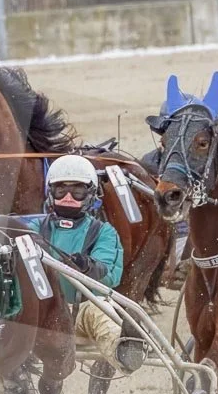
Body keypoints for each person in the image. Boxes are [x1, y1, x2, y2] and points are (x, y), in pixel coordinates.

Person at [32, 154, 145, 373]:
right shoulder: (35, 228)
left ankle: (123, 351)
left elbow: (109, 273)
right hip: (41, 315)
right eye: (60, 190)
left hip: (81, 312)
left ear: (90, 194)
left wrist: (87, 266)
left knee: (100, 310)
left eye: (77, 191)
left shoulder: (103, 232)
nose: (68, 197)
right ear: (50, 192)